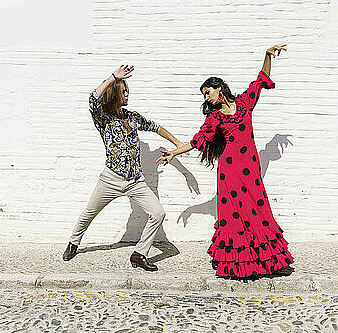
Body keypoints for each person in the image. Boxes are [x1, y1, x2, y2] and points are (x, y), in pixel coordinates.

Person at [158, 45, 294, 279]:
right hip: (230, 171)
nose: (206, 97)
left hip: (250, 169)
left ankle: (265, 259)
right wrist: (175, 152)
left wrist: (267, 56)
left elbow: (260, 80)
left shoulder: (244, 103)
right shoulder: (214, 117)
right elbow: (197, 140)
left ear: (219, 89)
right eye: (204, 95)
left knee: (258, 210)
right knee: (234, 214)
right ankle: (238, 262)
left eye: (207, 92)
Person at [63, 64, 183, 272]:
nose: (127, 94)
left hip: (135, 181)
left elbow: (156, 127)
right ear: (114, 93)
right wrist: (113, 77)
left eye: (128, 91)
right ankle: (74, 242)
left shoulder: (133, 117)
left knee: (158, 213)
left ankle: (139, 254)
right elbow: (92, 98)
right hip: (111, 178)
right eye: (124, 91)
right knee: (89, 213)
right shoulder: (103, 118)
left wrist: (178, 144)